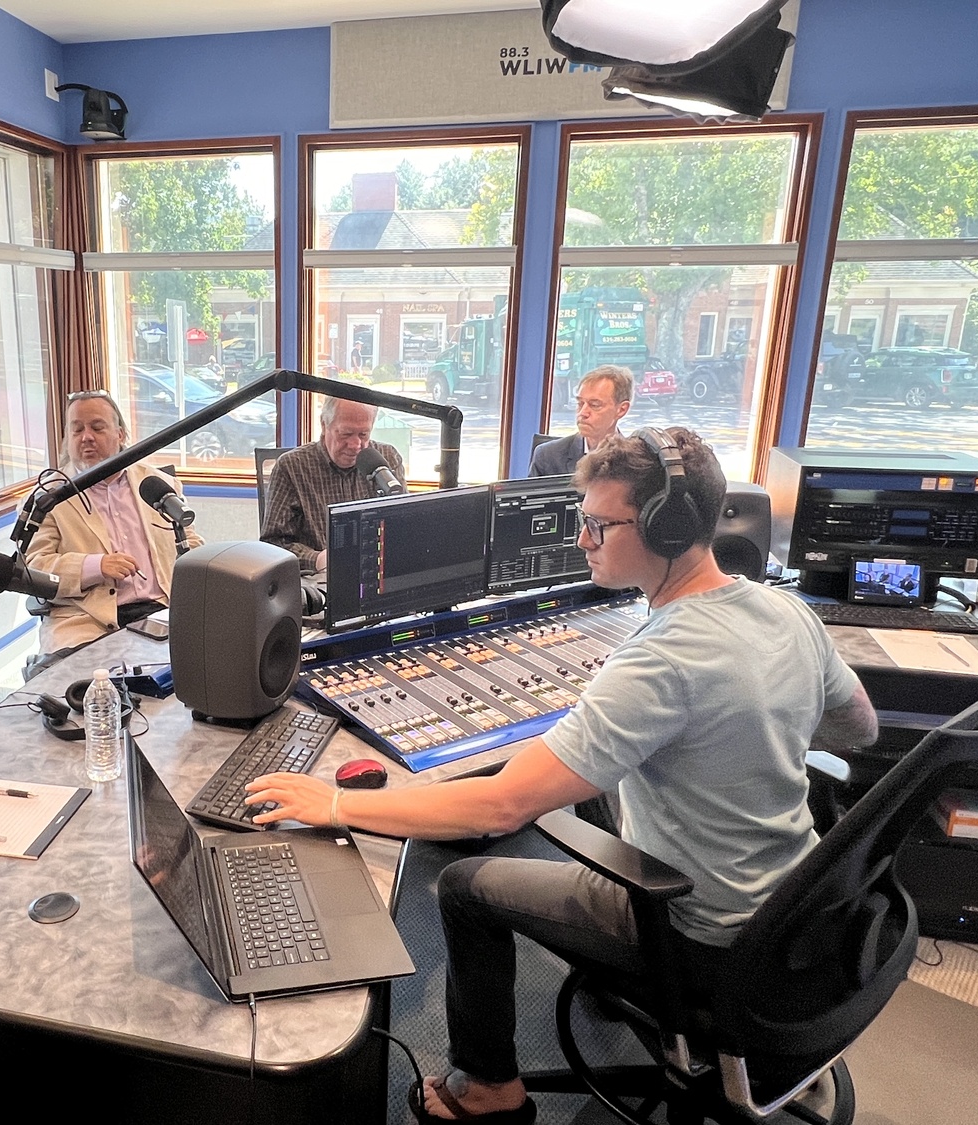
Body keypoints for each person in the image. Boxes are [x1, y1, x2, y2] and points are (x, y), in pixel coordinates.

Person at [248, 427, 878, 1124]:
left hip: (703, 932)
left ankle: (488, 1088)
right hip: (795, 905)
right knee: (606, 786)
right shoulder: (785, 611)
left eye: (600, 524)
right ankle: (617, 984)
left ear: (666, 526)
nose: (583, 539)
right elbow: (860, 728)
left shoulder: (658, 662)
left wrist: (336, 802)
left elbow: (500, 806)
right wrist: (761, 717)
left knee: (461, 885)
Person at [25, 390, 203, 664]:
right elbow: (33, 568)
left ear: (120, 435)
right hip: (86, 620)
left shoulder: (156, 483)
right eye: (77, 430)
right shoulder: (48, 498)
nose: (86, 437)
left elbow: (189, 541)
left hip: (162, 610)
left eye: (97, 427)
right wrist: (96, 566)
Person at [260, 398, 406, 573]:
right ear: (324, 425)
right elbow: (272, 544)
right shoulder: (292, 466)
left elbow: (404, 526)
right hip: (320, 582)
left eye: (363, 435)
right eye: (346, 434)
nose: (355, 445)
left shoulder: (387, 458)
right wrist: (317, 559)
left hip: (376, 574)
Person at [528, 365, 634, 478]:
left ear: (621, 410)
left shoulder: (636, 461)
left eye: (595, 405)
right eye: (580, 403)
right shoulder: (547, 456)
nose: (582, 413)